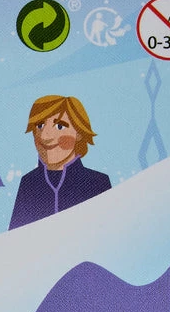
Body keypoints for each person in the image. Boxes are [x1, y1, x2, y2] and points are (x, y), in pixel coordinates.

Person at [8, 95, 111, 230]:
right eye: (40, 125)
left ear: (79, 133)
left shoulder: (97, 183)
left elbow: (110, 235)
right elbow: (15, 237)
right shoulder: (28, 183)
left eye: (60, 126)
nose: (44, 136)